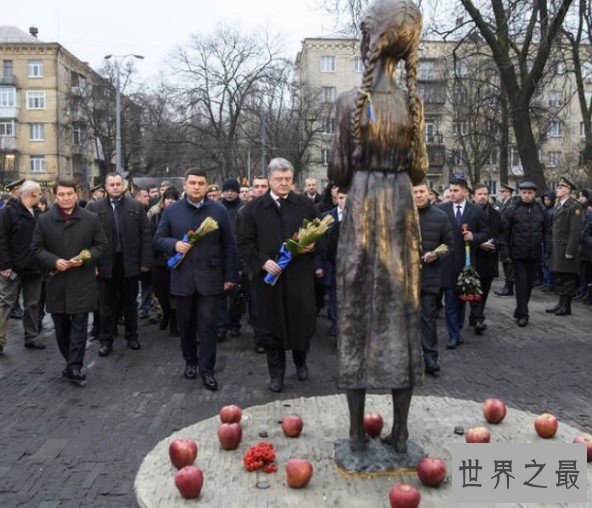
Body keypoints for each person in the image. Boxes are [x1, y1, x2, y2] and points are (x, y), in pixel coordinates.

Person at [328, 0, 429, 453]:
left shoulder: (352, 102)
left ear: (370, 40)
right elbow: (421, 170)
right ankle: (401, 431)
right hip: (402, 212)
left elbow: (337, 172)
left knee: (356, 313)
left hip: (365, 208)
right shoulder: (412, 103)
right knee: (402, 311)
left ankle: (355, 433)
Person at [238, 158, 320, 393]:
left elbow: (321, 233)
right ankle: (276, 374)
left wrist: (312, 245)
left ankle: (301, 361)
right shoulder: (252, 209)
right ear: (269, 180)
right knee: (271, 326)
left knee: (301, 322)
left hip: (298, 276)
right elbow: (244, 243)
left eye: (287, 179)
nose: (283, 183)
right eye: (278, 179)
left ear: (293, 180)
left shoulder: (305, 204)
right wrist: (263, 262)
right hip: (268, 281)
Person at [154, 168, 238, 391]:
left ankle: (207, 370)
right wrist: (174, 245)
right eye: (192, 183)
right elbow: (158, 239)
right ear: (185, 185)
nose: (197, 187)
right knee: (186, 325)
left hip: (210, 279)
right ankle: (190, 361)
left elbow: (230, 245)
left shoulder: (219, 211)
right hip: (182, 279)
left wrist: (230, 276)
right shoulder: (172, 211)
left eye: (201, 183)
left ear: (207, 185)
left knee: (208, 326)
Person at [32, 179, 108, 384]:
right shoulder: (45, 220)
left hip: (82, 280)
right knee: (61, 325)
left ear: (76, 195)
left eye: (69, 194)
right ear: (55, 196)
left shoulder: (91, 219)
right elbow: (36, 249)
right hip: (56, 282)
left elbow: (101, 246)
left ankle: (75, 366)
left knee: (80, 324)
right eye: (61, 194)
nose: (65, 198)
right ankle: (70, 361)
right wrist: (54, 261)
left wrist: (85, 259)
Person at [87, 173, 152, 356]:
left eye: (118, 184)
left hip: (129, 262)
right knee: (106, 305)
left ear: (123, 186)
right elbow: (89, 238)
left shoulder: (136, 207)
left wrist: (145, 261)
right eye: (111, 184)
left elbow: (145, 236)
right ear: (106, 187)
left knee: (130, 303)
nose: (115, 187)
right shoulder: (95, 207)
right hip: (105, 263)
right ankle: (106, 340)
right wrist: (92, 263)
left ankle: (132, 336)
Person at [439, 178, 489, 349]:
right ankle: (453, 335)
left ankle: (457, 329)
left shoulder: (475, 210)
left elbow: (485, 232)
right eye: (450, 190)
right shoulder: (441, 209)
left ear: (465, 192)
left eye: (455, 191)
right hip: (446, 263)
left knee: (461, 301)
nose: (452, 194)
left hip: (466, 265)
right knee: (450, 301)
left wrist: (474, 237)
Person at [0, 180, 45, 353]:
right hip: (12, 268)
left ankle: (31, 337)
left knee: (32, 304)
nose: (40, 196)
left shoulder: (38, 213)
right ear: (32, 195)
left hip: (33, 268)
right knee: (5, 304)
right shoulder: (8, 212)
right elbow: (1, 239)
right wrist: (4, 264)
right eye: (39, 193)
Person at [413, 181, 452, 375]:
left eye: (422, 192)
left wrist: (436, 255)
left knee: (428, 320)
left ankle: (430, 358)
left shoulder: (441, 217)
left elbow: (449, 245)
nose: (418, 195)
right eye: (415, 192)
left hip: (429, 277)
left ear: (429, 194)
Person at [501, 181, 548, 327]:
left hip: (534, 253)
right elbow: (505, 233)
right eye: (524, 193)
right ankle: (523, 314)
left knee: (529, 284)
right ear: (520, 193)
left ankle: (519, 309)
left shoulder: (541, 210)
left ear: (534, 194)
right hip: (518, 253)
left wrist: (546, 251)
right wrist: (506, 253)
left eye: (530, 193)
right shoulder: (512, 210)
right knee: (521, 283)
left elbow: (546, 231)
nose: (527, 196)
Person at [237, 175, 269, 354]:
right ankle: (260, 338)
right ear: (251, 190)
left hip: (274, 264)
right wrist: (243, 266)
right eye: (256, 186)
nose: (260, 189)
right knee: (256, 306)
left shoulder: (276, 209)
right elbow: (240, 241)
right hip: (252, 268)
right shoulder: (243, 212)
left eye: (263, 186)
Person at [546, 177, 583, 316]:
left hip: (566, 248)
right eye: (558, 187)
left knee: (568, 278)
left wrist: (571, 250)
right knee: (559, 277)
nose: (557, 189)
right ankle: (560, 303)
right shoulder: (559, 205)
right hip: (557, 247)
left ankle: (566, 306)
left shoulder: (574, 206)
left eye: (560, 188)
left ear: (567, 190)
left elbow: (575, 231)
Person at [468, 184, 501, 335]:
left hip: (489, 257)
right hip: (473, 256)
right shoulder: (468, 212)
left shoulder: (495, 214)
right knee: (474, 288)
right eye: (479, 194)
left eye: (485, 194)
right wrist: (479, 243)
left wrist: (493, 243)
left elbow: (501, 234)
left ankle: (476, 315)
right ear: (473, 195)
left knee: (485, 289)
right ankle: (478, 317)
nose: (482, 196)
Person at [150, 186, 180, 336]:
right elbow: (150, 237)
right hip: (158, 260)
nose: (170, 201)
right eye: (168, 198)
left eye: (173, 198)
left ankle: (174, 321)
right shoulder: (155, 215)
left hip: (176, 260)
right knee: (160, 292)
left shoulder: (181, 214)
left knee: (174, 292)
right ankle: (166, 313)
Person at [217, 178, 243, 340]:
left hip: (239, 256)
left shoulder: (244, 208)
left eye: (233, 190)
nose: (230, 193)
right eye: (227, 190)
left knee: (237, 295)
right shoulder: (217, 208)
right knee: (220, 294)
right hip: (220, 257)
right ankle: (221, 325)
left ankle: (235, 323)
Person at [321, 189, 348, 342]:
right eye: (342, 197)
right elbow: (326, 247)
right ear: (337, 199)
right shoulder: (330, 219)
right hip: (335, 269)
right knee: (336, 302)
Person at [495, 182, 516, 296]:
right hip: (503, 238)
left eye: (503, 192)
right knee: (505, 262)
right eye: (501, 192)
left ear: (508, 193)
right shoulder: (504, 203)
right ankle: (507, 286)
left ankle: (509, 287)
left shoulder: (511, 204)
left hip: (508, 238)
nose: (501, 194)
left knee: (509, 263)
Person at [575, 188, 591, 301]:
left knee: (588, 272)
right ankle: (582, 290)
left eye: (582, 196)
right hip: (583, 247)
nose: (580, 198)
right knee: (583, 271)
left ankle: (586, 292)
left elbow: (586, 230)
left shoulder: (588, 212)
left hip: (587, 247)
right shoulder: (581, 210)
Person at [541, 190, 556, 292]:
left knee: (547, 261)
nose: (546, 201)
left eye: (548, 199)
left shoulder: (553, 211)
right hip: (544, 238)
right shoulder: (545, 210)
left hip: (549, 239)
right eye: (545, 199)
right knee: (544, 261)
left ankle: (549, 283)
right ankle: (546, 282)